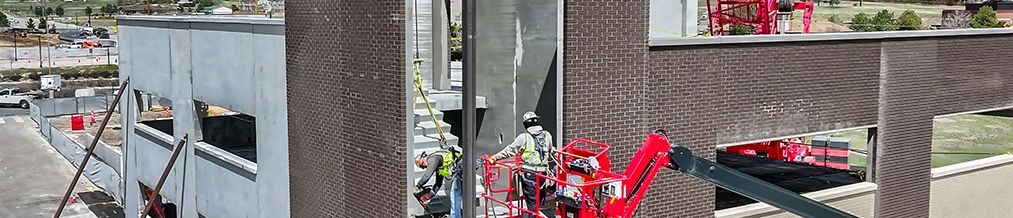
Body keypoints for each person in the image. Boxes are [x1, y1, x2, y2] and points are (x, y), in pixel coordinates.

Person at [486, 111, 555, 218]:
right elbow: (550, 152)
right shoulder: (547, 135)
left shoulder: (524, 137)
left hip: (529, 175)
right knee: (538, 202)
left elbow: (509, 151)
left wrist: (494, 157)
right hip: (543, 175)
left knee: (532, 205)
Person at [415, 147, 462, 218]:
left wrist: (418, 186)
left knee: (455, 194)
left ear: (424, 159)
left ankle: (455, 217)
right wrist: (430, 196)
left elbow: (427, 176)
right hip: (460, 169)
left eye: (422, 165)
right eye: (422, 167)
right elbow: (438, 183)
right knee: (456, 194)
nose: (424, 167)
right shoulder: (438, 165)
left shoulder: (433, 160)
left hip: (462, 166)